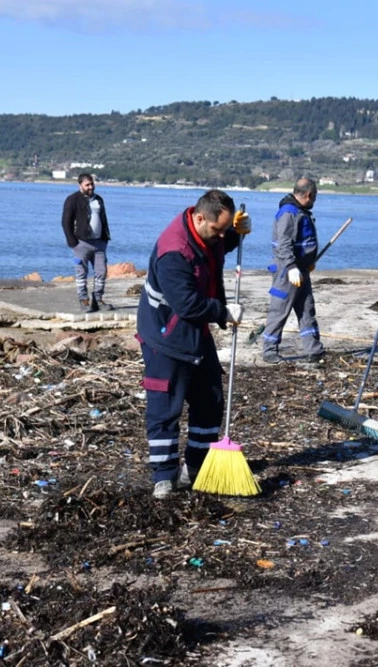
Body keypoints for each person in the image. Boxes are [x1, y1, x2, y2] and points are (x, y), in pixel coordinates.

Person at [136, 189, 251, 498]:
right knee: (165, 406)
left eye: (225, 229)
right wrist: (222, 312)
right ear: (200, 218)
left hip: (195, 333)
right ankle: (164, 476)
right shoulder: (174, 250)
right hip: (165, 335)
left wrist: (234, 237)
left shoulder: (206, 236)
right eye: (219, 229)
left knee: (210, 399)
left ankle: (197, 468)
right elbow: (186, 304)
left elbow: (215, 249)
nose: (221, 235)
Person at [261, 177, 325, 364]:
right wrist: (291, 267)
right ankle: (270, 351)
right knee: (279, 311)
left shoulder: (300, 211)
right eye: (315, 197)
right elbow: (284, 243)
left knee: (306, 310)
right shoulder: (289, 213)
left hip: (302, 269)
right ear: (308, 194)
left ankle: (314, 349)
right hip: (287, 272)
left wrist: (308, 261)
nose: (314, 200)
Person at [62, 173, 112, 312]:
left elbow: (103, 219)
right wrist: (73, 242)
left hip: (99, 243)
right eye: (87, 185)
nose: (90, 187)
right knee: (81, 273)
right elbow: (66, 222)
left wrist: (105, 238)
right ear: (80, 186)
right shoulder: (72, 200)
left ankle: (98, 299)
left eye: (92, 184)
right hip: (81, 243)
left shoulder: (98, 199)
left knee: (101, 272)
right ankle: (84, 300)